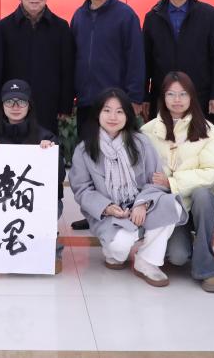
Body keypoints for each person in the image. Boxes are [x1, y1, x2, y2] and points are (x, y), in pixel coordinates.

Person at [68, 88, 186, 287]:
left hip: (142, 206)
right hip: (111, 213)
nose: (113, 117)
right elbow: (82, 190)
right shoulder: (84, 149)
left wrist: (142, 203)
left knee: (173, 206)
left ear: (127, 115)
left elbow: (155, 180)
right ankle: (115, 252)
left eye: (119, 111)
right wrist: (106, 207)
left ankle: (147, 260)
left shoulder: (141, 143)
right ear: (98, 114)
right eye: (107, 110)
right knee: (120, 248)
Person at [140, 71, 214, 293]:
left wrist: (172, 182)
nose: (177, 100)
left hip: (200, 203)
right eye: (171, 94)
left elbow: (211, 171)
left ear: (192, 97)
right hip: (171, 206)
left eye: (183, 94)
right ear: (163, 97)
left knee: (203, 195)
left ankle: (206, 267)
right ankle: (183, 242)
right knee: (178, 258)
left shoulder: (207, 130)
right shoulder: (148, 131)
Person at [0, 79, 65, 273]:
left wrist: (50, 155)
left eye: (21, 102)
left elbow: (59, 178)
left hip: (38, 201)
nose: (15, 107)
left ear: (29, 105)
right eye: (9, 102)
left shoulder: (46, 137)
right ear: (2, 106)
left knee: (45, 215)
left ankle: (50, 247)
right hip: (3, 201)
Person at [142, 0, 214, 121]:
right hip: (163, 97)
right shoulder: (152, 17)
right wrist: (144, 96)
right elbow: (145, 60)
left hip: (199, 96)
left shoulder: (209, 14)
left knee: (198, 136)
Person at [71, 0, 145, 135]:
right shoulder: (79, 16)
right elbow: (72, 57)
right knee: (87, 148)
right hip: (85, 102)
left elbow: (136, 58)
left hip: (116, 103)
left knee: (117, 148)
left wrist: (134, 97)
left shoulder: (126, 15)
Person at [0, 0, 75, 133]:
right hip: (13, 102)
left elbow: (67, 68)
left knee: (46, 143)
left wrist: (65, 105)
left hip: (48, 101)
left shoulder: (60, 27)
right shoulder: (4, 26)